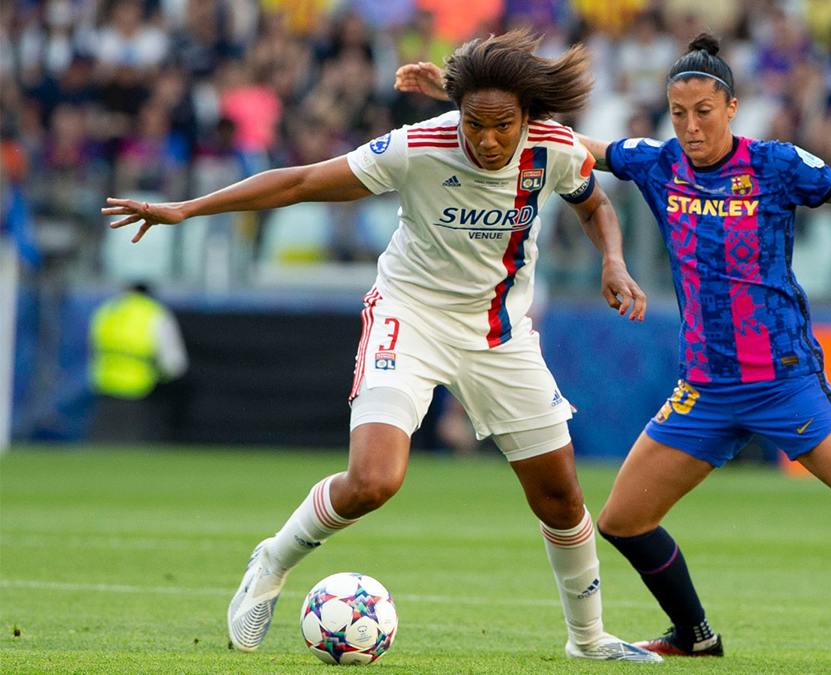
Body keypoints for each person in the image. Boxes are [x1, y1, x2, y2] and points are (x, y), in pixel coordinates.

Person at [398, 31, 831, 659]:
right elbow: (547, 140)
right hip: (706, 388)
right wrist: (455, 97)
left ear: (731, 109)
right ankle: (694, 635)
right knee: (621, 520)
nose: (691, 127)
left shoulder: (774, 164)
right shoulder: (655, 162)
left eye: (703, 113)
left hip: (785, 382)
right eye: (679, 114)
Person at [103, 30, 661, 662]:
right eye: (473, 123)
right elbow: (303, 181)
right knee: (373, 481)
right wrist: (187, 209)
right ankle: (273, 561)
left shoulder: (554, 148)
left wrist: (613, 262)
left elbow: (594, 204)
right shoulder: (416, 147)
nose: (486, 139)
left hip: (497, 332)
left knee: (560, 496)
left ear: (528, 118)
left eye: (501, 125)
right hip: (409, 316)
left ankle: (588, 642)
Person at [88, 282, 189, 443]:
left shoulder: (106, 311)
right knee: (135, 449)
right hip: (140, 392)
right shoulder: (153, 312)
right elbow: (174, 363)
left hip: (104, 391)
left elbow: (92, 351)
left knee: (104, 447)